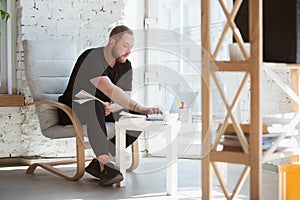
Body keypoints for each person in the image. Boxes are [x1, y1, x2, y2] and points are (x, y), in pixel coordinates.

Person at [58, 25, 162, 186]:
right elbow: (109, 89)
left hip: (103, 109)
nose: (129, 51)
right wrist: (139, 106)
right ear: (112, 42)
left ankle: (99, 163)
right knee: (95, 105)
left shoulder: (125, 64)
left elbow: (125, 95)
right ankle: (104, 165)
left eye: (131, 47)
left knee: (139, 118)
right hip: (72, 109)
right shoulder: (92, 57)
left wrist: (114, 108)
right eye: (125, 46)